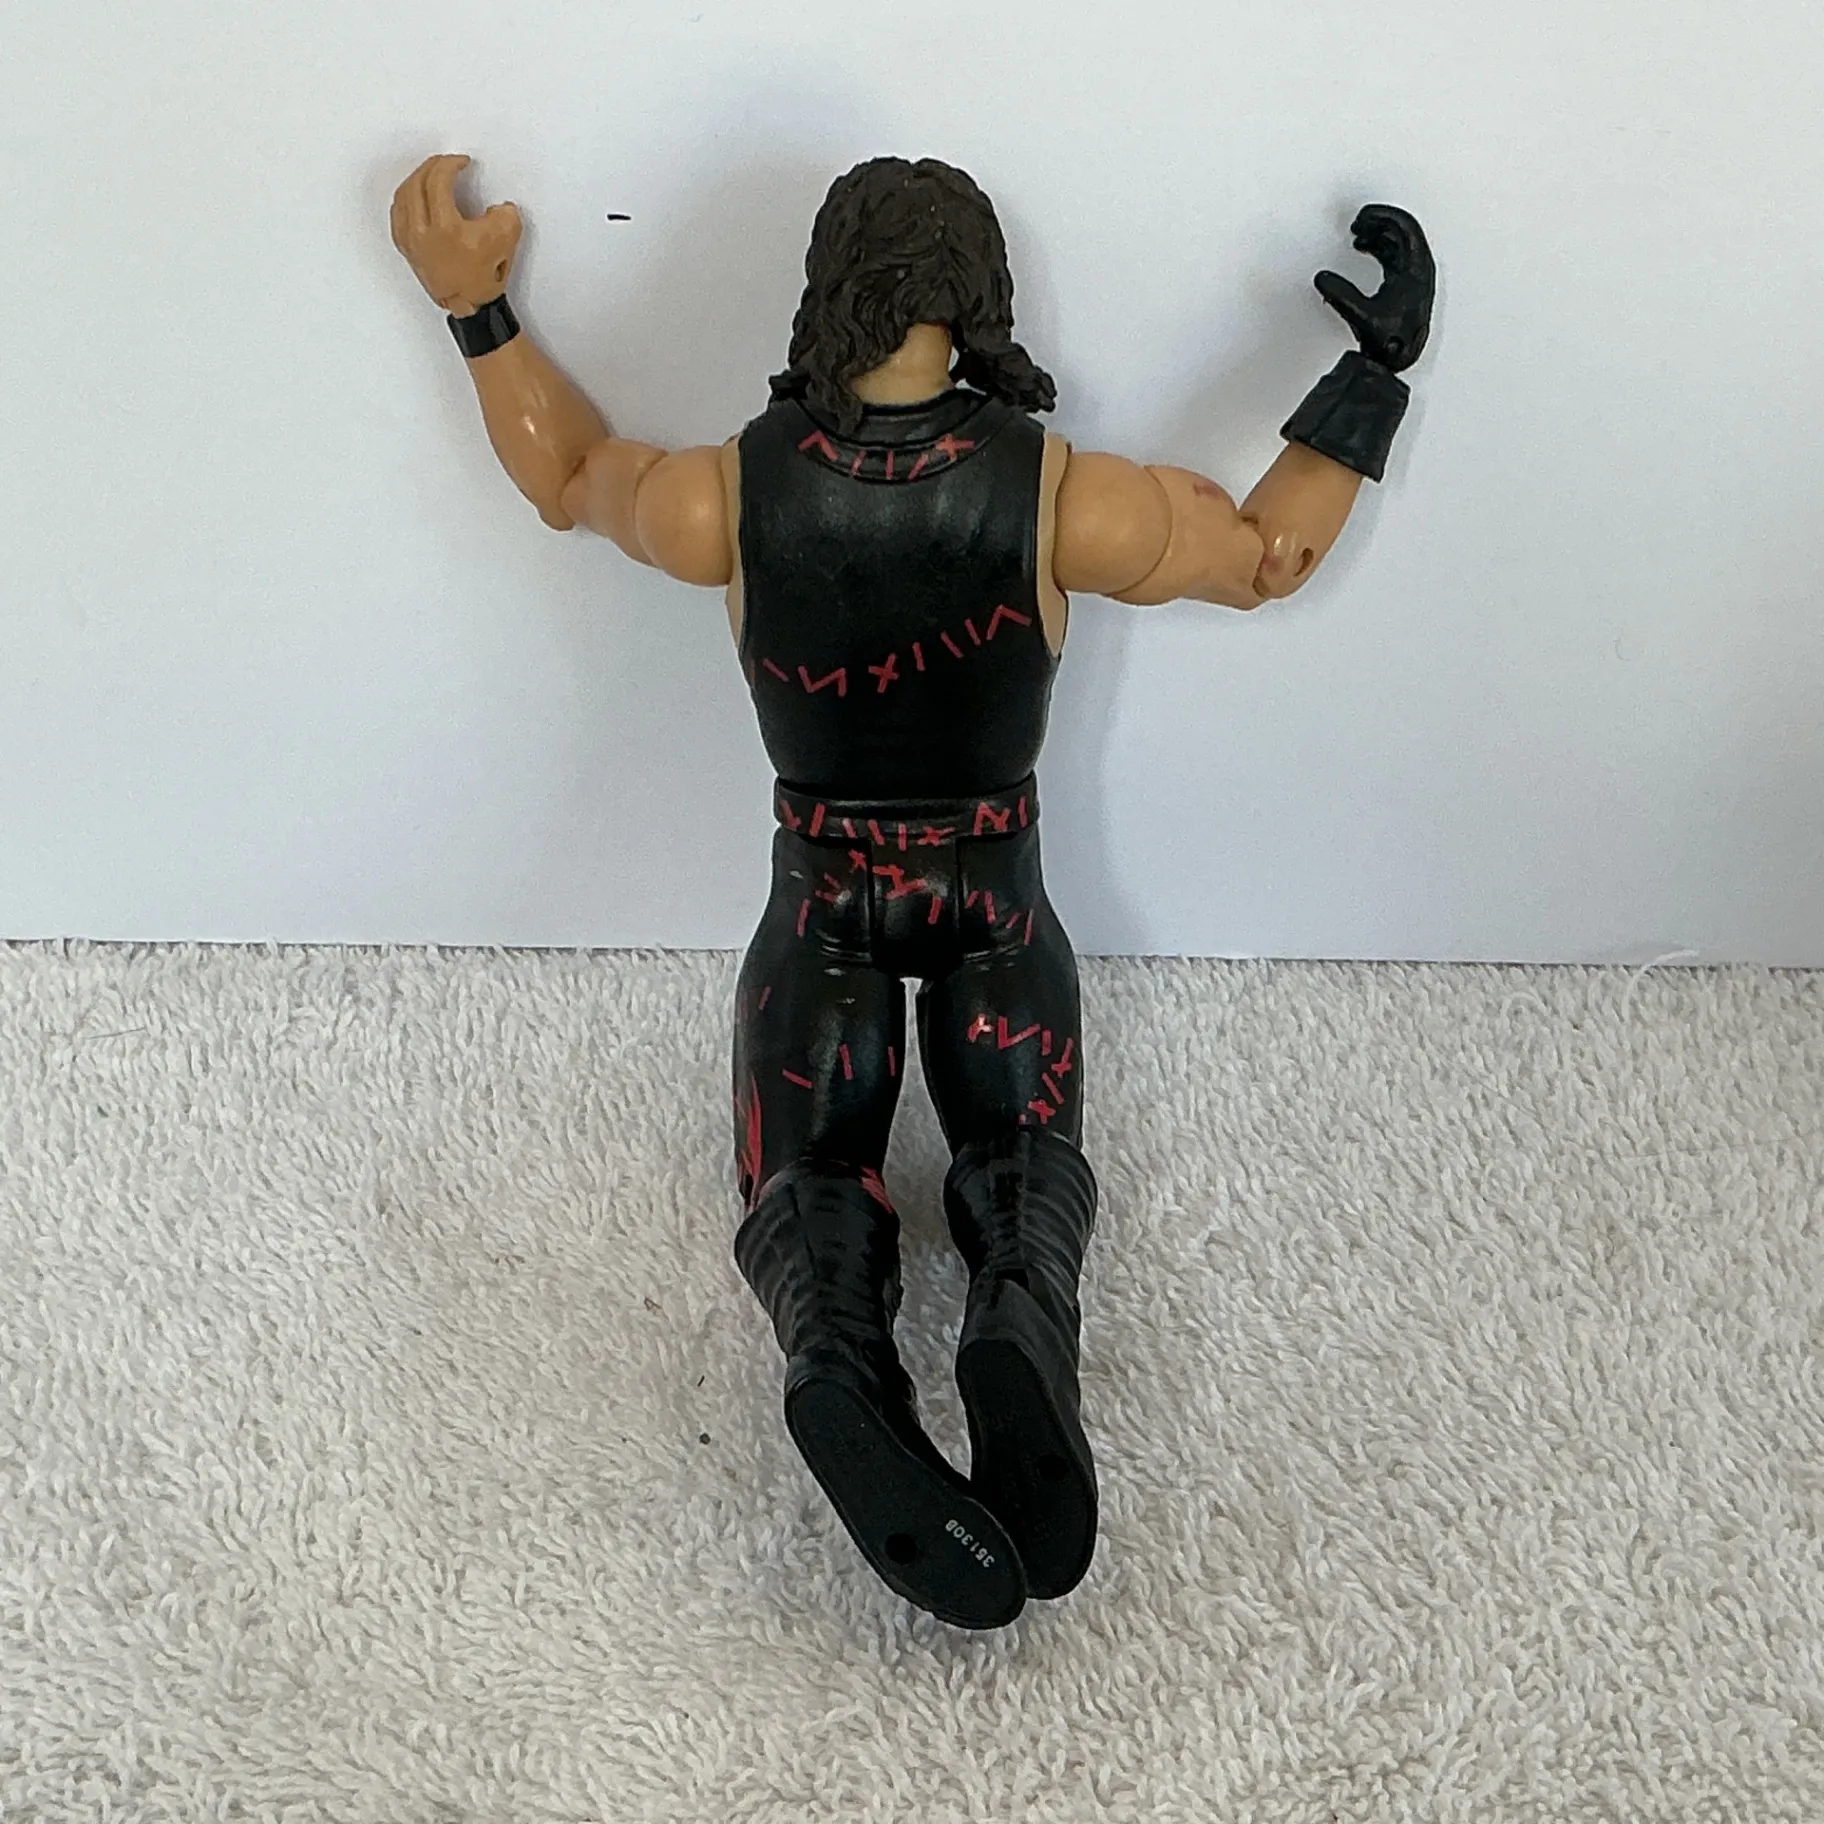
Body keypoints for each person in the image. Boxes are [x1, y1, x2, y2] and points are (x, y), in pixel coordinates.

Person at [390, 153, 1434, 1628]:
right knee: (1020, 1151)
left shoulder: (717, 498)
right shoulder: (1068, 499)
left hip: (823, 892)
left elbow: (567, 476)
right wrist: (1374, 373)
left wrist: (480, 314)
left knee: (807, 1174)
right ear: (979, 299)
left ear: (828, 290)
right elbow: (1267, 557)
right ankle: (1020, 1301)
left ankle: (835, 1342)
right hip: (990, 887)